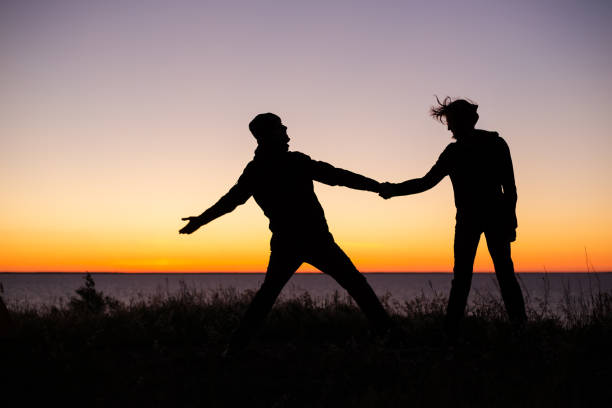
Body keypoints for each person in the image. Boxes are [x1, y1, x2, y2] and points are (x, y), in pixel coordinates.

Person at [180, 113, 393, 354]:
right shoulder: (290, 163)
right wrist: (379, 187)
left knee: (267, 297)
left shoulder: (257, 169)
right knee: (357, 286)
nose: (286, 129)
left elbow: (231, 201)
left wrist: (201, 220)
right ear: (269, 134)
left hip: (289, 243)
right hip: (313, 241)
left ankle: (234, 350)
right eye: (280, 127)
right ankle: (392, 337)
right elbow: (337, 176)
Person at [380, 97, 527, 338]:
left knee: (466, 278)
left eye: (450, 122)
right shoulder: (493, 144)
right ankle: (516, 330)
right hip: (488, 217)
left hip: (474, 219)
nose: (448, 128)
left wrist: (393, 190)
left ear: (462, 121)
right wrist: (511, 220)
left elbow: (425, 183)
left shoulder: (461, 151)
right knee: (500, 275)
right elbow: (510, 189)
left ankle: (452, 332)